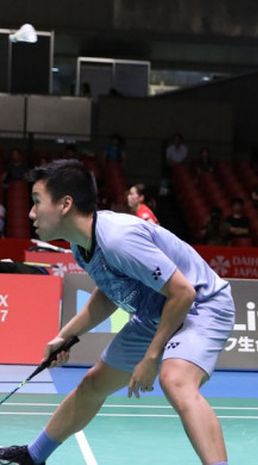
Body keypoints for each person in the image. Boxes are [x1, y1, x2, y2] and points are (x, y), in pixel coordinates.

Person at [0, 159, 235, 465]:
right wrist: (65, 336)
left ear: (65, 204)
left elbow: (183, 292)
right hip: (156, 311)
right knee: (94, 383)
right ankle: (34, 455)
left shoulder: (118, 239)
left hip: (201, 305)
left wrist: (151, 357)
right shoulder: (81, 244)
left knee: (175, 379)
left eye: (36, 202)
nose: (31, 213)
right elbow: (108, 295)